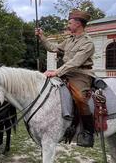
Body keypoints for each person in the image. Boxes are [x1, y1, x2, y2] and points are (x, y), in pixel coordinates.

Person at [35, 10, 95, 147]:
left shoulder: (87, 43)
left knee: (80, 98)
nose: (68, 25)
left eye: (70, 22)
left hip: (81, 75)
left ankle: (88, 133)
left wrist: (56, 72)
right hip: (65, 73)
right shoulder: (70, 40)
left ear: (78, 24)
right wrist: (42, 36)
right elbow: (53, 48)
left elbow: (75, 62)